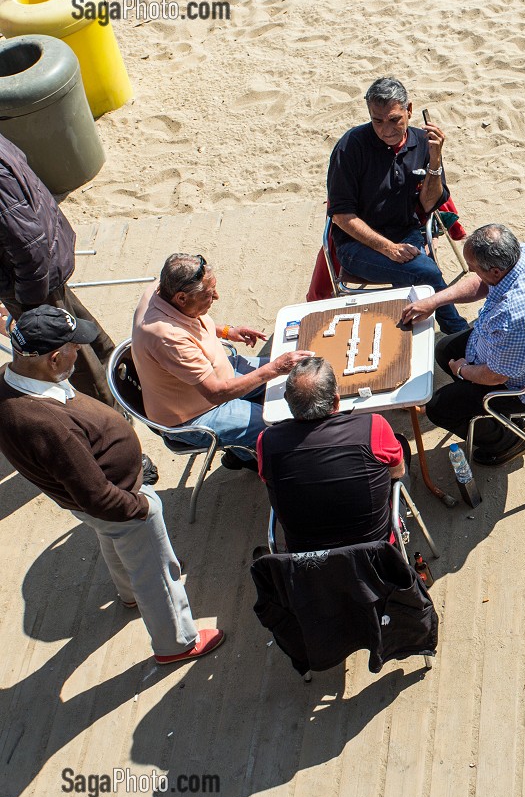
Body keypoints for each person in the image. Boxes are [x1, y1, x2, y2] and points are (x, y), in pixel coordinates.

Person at [0, 306, 224, 664]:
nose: (80, 352)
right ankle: (177, 642)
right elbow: (98, 497)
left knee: (113, 539)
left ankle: (130, 593)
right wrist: (143, 507)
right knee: (158, 575)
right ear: (55, 359)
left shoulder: (13, 378)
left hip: (90, 505)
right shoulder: (50, 427)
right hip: (119, 501)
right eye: (74, 347)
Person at [402, 224, 525, 467]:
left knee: (438, 407)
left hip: (523, 389)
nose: (470, 271)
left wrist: (462, 370)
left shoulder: (514, 318)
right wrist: (435, 302)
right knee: (444, 350)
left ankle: (507, 442)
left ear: (494, 271)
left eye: (474, 268)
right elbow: (483, 284)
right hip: (514, 350)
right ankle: (483, 412)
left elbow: (494, 377)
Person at [131, 253, 314, 466]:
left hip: (220, 373)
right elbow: (216, 393)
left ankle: (244, 450)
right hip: (197, 413)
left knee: (302, 373)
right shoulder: (167, 337)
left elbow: (187, 321)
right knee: (279, 422)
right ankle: (250, 458)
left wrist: (227, 331)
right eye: (209, 294)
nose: (216, 297)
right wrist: (275, 368)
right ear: (181, 297)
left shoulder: (162, 288)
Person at [326, 77, 468, 333]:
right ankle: (456, 331)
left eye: (394, 120)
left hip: (405, 231)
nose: (385, 129)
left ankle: (407, 337)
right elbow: (341, 216)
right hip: (357, 246)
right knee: (424, 271)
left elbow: (428, 203)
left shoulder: (422, 142)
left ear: (409, 110)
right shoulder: (350, 147)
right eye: (376, 121)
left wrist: (435, 161)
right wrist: (388, 248)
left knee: (410, 279)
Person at [0, 132, 115, 404]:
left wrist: (31, 307)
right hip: (39, 267)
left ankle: (108, 417)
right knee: (77, 327)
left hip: (31, 277)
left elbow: (29, 247)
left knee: (69, 351)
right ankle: (117, 372)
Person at [257, 357, 407, 552]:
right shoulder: (373, 427)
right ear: (336, 400)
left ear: (287, 400)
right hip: (377, 550)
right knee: (401, 448)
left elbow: (267, 480)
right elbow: (398, 472)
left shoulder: (267, 441)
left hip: (309, 560)